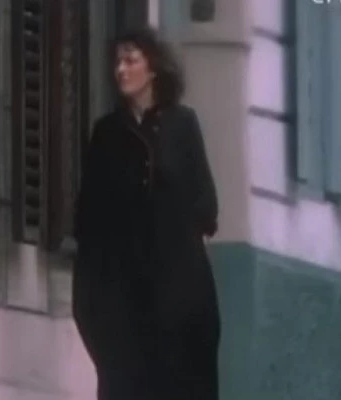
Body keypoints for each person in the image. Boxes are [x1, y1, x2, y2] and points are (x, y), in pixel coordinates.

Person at [72, 27, 221, 400]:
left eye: (131, 60)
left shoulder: (182, 125)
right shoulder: (106, 134)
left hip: (179, 302)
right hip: (123, 304)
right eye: (117, 62)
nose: (121, 70)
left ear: (152, 68)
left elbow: (205, 203)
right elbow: (89, 219)